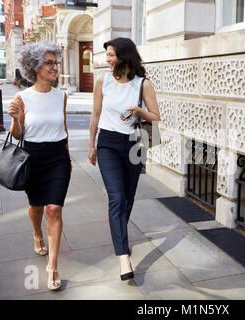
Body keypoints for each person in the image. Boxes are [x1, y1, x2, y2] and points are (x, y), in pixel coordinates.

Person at [88, 37, 160, 281]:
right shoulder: (103, 81)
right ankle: (123, 256)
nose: (106, 59)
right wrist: (92, 144)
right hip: (107, 143)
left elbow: (156, 116)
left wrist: (139, 111)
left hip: (132, 145)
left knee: (127, 200)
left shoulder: (143, 84)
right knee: (116, 198)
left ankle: (118, 232)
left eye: (110, 54)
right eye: (106, 54)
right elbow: (95, 114)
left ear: (124, 56)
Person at [7, 40, 71, 291]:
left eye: (56, 62)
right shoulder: (22, 97)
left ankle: (52, 265)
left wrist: (67, 158)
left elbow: (63, 128)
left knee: (54, 208)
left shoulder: (61, 96)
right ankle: (37, 233)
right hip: (32, 157)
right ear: (35, 66)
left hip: (58, 157)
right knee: (36, 207)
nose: (55, 67)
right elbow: (17, 133)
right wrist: (14, 119)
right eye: (49, 63)